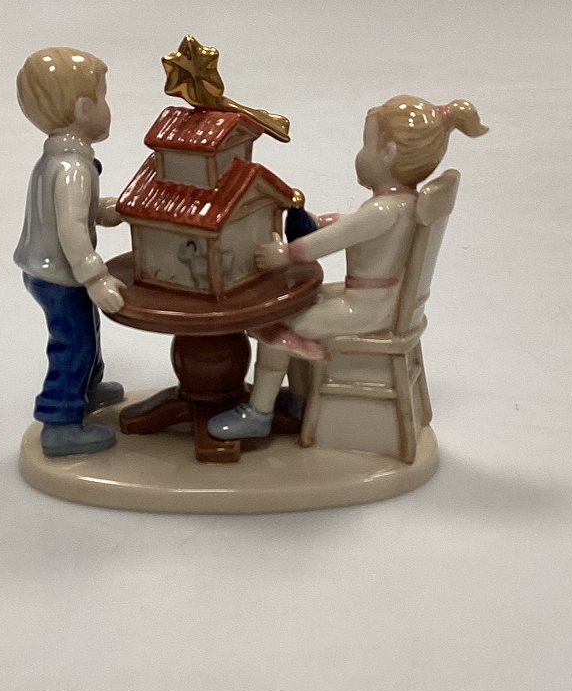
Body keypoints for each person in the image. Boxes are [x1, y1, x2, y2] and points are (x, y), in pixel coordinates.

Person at [207, 95, 488, 440]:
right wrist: (320, 222)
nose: (360, 154)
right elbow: (351, 225)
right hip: (381, 303)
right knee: (294, 306)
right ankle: (300, 399)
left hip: (367, 311)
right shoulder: (402, 203)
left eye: (366, 145)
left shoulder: (383, 210)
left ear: (388, 153)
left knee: (276, 320)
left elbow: (331, 242)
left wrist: (286, 254)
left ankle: (259, 413)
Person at [14, 48, 126, 457]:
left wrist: (105, 210)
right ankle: (60, 422)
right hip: (60, 274)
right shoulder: (73, 169)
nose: (107, 107)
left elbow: (72, 213)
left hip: (52, 270)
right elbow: (71, 227)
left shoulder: (60, 161)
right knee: (74, 343)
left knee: (87, 330)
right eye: (103, 96)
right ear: (83, 109)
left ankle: (88, 388)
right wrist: (96, 276)